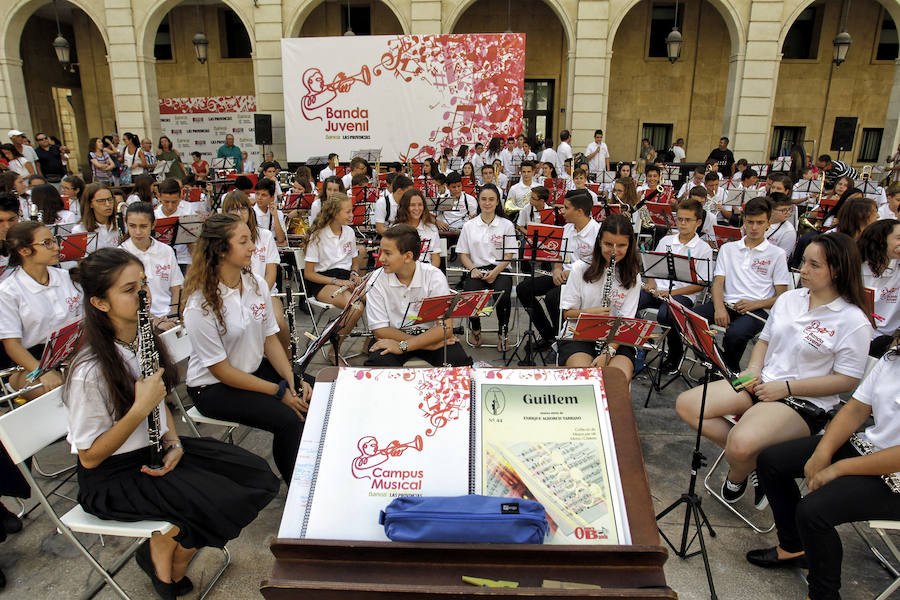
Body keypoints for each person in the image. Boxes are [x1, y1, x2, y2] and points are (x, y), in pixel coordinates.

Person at [66, 247, 279, 599]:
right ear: (100, 303)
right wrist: (139, 408)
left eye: (143, 285)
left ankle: (161, 553)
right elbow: (89, 457)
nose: (143, 296)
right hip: (113, 477)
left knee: (254, 474)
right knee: (216, 502)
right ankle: (166, 568)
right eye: (129, 290)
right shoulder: (89, 371)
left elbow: (158, 403)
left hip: (155, 453)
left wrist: (174, 443)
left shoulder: (139, 339)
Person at [677, 231, 872, 509]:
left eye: (814, 265)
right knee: (688, 405)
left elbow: (847, 380)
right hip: (763, 381)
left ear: (838, 270)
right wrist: (754, 369)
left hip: (802, 400)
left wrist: (788, 387)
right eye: (803, 262)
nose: (802, 270)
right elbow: (765, 341)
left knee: (741, 443)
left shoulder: (853, 321)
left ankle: (738, 472)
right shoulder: (790, 299)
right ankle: (757, 464)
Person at [746, 333, 900, 600]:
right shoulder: (893, 356)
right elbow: (855, 409)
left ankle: (823, 594)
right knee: (772, 461)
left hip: (895, 477)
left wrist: (838, 468)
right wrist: (822, 452)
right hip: (869, 449)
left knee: (814, 511)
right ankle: (793, 546)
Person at [183, 214, 309, 485]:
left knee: (316, 393)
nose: (253, 246)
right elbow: (223, 371)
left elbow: (269, 339)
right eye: (243, 241)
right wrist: (279, 392)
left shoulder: (255, 283)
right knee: (289, 418)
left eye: (250, 239)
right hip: (214, 387)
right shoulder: (200, 304)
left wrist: (292, 378)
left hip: (251, 370)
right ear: (220, 249)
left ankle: (317, 470)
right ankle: (298, 491)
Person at [672, 197, 790, 373]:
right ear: (743, 221)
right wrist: (719, 308)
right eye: (750, 222)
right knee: (688, 320)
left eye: (760, 222)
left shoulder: (777, 254)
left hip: (757, 310)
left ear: (769, 223)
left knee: (735, 335)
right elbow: (718, 282)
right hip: (727, 304)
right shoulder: (728, 249)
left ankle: (724, 369)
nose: (754, 228)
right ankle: (721, 365)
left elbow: (782, 296)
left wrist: (755, 304)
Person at [365, 225, 472, 367]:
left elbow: (444, 328)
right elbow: (380, 330)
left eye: (387, 253)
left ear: (408, 256)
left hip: (430, 336)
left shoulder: (434, 276)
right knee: (378, 365)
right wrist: (423, 345)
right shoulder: (375, 280)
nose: (381, 258)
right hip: (394, 337)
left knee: (458, 362)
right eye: (380, 251)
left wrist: (406, 345)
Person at [0, 221, 81, 401]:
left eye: (54, 241)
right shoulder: (8, 291)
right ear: (24, 251)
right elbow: (12, 345)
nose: (56, 247)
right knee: (62, 393)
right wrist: (42, 371)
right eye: (47, 243)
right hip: (31, 363)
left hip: (72, 353)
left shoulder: (66, 277)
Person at [558, 213, 641, 382]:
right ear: (599, 242)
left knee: (615, 381)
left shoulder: (633, 277)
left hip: (617, 337)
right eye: (608, 244)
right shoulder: (580, 268)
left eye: (621, 245)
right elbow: (567, 314)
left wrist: (608, 351)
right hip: (578, 333)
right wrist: (590, 313)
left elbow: (626, 321)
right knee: (584, 379)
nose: (614, 251)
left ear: (630, 245)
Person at [637, 198, 715, 373]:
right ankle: (642, 340)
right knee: (632, 300)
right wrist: (651, 285)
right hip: (659, 290)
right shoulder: (666, 240)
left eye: (688, 220)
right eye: (680, 219)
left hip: (683, 295)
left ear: (699, 222)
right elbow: (651, 269)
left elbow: (700, 285)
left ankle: (675, 355)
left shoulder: (703, 248)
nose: (682, 223)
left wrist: (669, 294)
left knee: (667, 314)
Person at [517, 191, 600, 351]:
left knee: (553, 298)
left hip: (583, 280)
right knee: (524, 289)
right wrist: (556, 269)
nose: (562, 211)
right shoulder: (567, 228)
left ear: (579, 211)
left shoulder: (597, 232)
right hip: (562, 275)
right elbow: (558, 256)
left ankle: (562, 342)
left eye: (566, 208)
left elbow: (597, 267)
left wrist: (573, 274)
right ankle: (548, 335)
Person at [223, 190, 290, 352]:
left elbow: (271, 274)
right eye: (233, 210)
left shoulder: (265, 236)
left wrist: (258, 294)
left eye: (242, 209)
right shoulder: (221, 239)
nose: (239, 214)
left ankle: (289, 360)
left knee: (279, 323)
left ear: (249, 210)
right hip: (233, 294)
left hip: (266, 292)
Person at [456, 184, 516, 350]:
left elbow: (509, 256)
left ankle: (502, 334)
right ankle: (476, 329)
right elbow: (463, 254)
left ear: (497, 202)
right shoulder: (469, 226)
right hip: (477, 269)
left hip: (500, 269)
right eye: (483, 199)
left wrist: (496, 272)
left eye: (491, 199)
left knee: (503, 296)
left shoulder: (507, 225)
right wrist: (473, 270)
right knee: (469, 296)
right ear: (478, 201)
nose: (487, 203)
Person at [301, 193, 364, 345]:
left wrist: (354, 273)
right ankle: (334, 350)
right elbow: (309, 274)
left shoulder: (349, 232)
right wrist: (337, 281)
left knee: (380, 298)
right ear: (335, 213)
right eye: (347, 211)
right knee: (356, 307)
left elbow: (354, 262)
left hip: (345, 279)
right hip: (323, 281)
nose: (352, 215)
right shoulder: (318, 236)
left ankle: (370, 346)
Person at [120, 202, 183, 328]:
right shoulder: (121, 254)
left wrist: (173, 314)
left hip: (168, 315)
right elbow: (127, 299)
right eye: (132, 226)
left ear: (153, 225)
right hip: (139, 320)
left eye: (143, 226)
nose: (137, 232)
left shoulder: (166, 250)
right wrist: (155, 321)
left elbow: (176, 288)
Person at [859, 219, 900, 358]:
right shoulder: (855, 267)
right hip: (856, 336)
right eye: (899, 238)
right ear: (881, 240)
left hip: (888, 341)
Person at [154, 179, 194, 272]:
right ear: (159, 197)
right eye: (166, 202)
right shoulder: (154, 215)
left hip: (183, 259)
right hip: (160, 260)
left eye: (174, 202)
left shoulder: (187, 213)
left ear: (180, 197)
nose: (170, 207)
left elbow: (193, 244)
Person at [395, 189, 441, 267]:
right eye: (412, 205)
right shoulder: (396, 230)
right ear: (405, 207)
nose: (417, 208)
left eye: (420, 205)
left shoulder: (432, 229)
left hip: (426, 272)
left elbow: (435, 259)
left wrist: (430, 275)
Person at [73, 183, 119, 250]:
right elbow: (79, 259)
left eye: (110, 199)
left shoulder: (122, 224)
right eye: (101, 201)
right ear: (90, 204)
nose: (108, 204)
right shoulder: (79, 231)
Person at [252, 178, 287, 246]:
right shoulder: (250, 213)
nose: (259, 198)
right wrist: (274, 244)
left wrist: (275, 216)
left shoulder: (278, 213)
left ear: (272, 198)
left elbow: (281, 239)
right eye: (257, 194)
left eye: (264, 195)